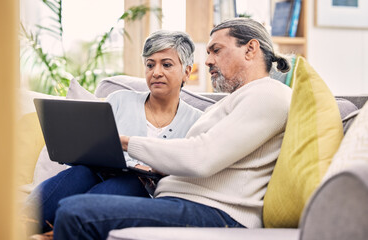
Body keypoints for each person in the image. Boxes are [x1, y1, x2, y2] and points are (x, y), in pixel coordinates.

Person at [52, 17, 293, 240]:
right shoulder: (233, 102)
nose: (207, 61)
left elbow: (201, 157)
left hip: (217, 213)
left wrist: (125, 142)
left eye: (216, 50)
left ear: (251, 49)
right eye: (208, 53)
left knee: (76, 212)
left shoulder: (269, 94)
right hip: (184, 201)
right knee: (76, 190)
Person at [22, 30, 203, 234]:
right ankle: (15, 226)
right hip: (97, 172)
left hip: (143, 188)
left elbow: (193, 167)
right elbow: (91, 142)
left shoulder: (198, 120)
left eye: (166, 64)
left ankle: (60, 231)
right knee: (79, 173)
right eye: (150, 64)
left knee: (127, 182)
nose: (156, 72)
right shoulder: (119, 99)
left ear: (187, 71)